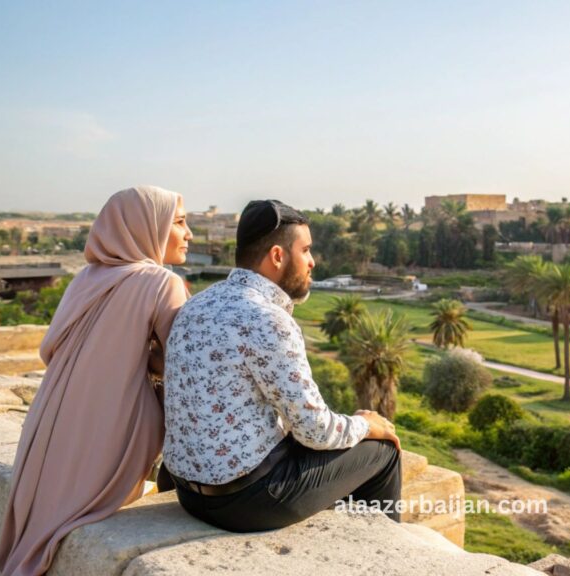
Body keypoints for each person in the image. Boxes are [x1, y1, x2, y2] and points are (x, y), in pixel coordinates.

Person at [162, 199, 402, 532]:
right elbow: (315, 430)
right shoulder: (267, 319)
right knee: (382, 451)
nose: (312, 262)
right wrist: (365, 425)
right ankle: (383, 550)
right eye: (306, 250)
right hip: (244, 503)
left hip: (189, 494)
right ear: (278, 256)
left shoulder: (197, 304)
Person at [0, 186, 192, 576]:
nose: (188, 234)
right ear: (145, 226)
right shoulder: (161, 282)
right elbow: (188, 369)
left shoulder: (85, 279)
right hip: (113, 435)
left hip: (51, 426)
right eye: (180, 222)